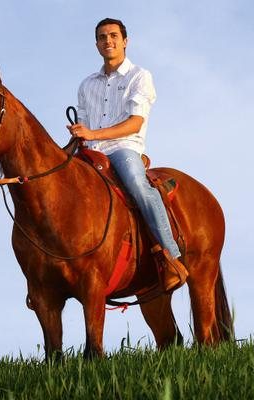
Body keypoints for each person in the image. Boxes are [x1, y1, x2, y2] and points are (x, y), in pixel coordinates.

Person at [66, 18, 188, 292]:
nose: (107, 41)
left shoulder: (139, 76)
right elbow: (84, 126)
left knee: (137, 185)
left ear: (125, 41)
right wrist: (78, 137)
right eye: (101, 37)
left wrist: (93, 135)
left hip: (124, 149)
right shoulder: (86, 85)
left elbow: (135, 123)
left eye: (112, 36)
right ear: (96, 44)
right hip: (90, 153)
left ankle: (171, 257)